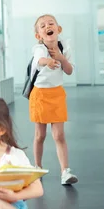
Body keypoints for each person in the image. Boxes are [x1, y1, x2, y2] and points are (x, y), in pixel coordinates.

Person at [30, 14, 78, 185]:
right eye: (42, 26)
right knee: (40, 135)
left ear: (58, 29)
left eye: (51, 23)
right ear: (38, 35)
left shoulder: (65, 47)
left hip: (57, 94)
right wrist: (48, 62)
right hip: (40, 95)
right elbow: (39, 60)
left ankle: (65, 171)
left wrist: (60, 57)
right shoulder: (39, 48)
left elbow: (69, 71)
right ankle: (37, 167)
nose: (47, 26)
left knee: (59, 135)